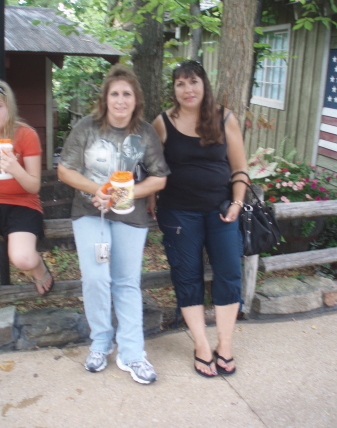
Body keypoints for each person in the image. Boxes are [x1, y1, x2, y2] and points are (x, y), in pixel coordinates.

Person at [58, 64, 170, 384]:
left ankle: (132, 352)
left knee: (126, 281)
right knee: (95, 278)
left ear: (136, 100)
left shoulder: (145, 132)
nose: (120, 100)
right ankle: (100, 341)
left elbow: (159, 178)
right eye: (115, 94)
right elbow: (66, 170)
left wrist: (125, 192)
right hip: (90, 212)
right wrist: (99, 191)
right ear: (105, 98)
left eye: (127, 94)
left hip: (130, 216)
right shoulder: (86, 127)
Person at [151, 60, 248, 378]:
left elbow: (239, 169)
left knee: (229, 273)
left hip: (222, 211)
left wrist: (236, 203)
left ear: (204, 84)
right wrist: (151, 199)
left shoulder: (224, 118)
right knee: (187, 276)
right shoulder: (163, 123)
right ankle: (202, 345)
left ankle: (225, 343)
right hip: (177, 213)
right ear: (174, 90)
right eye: (180, 84)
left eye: (192, 81)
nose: (187, 89)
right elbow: (151, 167)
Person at [0, 81, 54, 296]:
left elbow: (33, 185)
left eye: (0, 106)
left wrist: (15, 168)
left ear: (9, 107)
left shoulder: (25, 135)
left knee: (23, 258)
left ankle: (38, 265)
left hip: (22, 203)